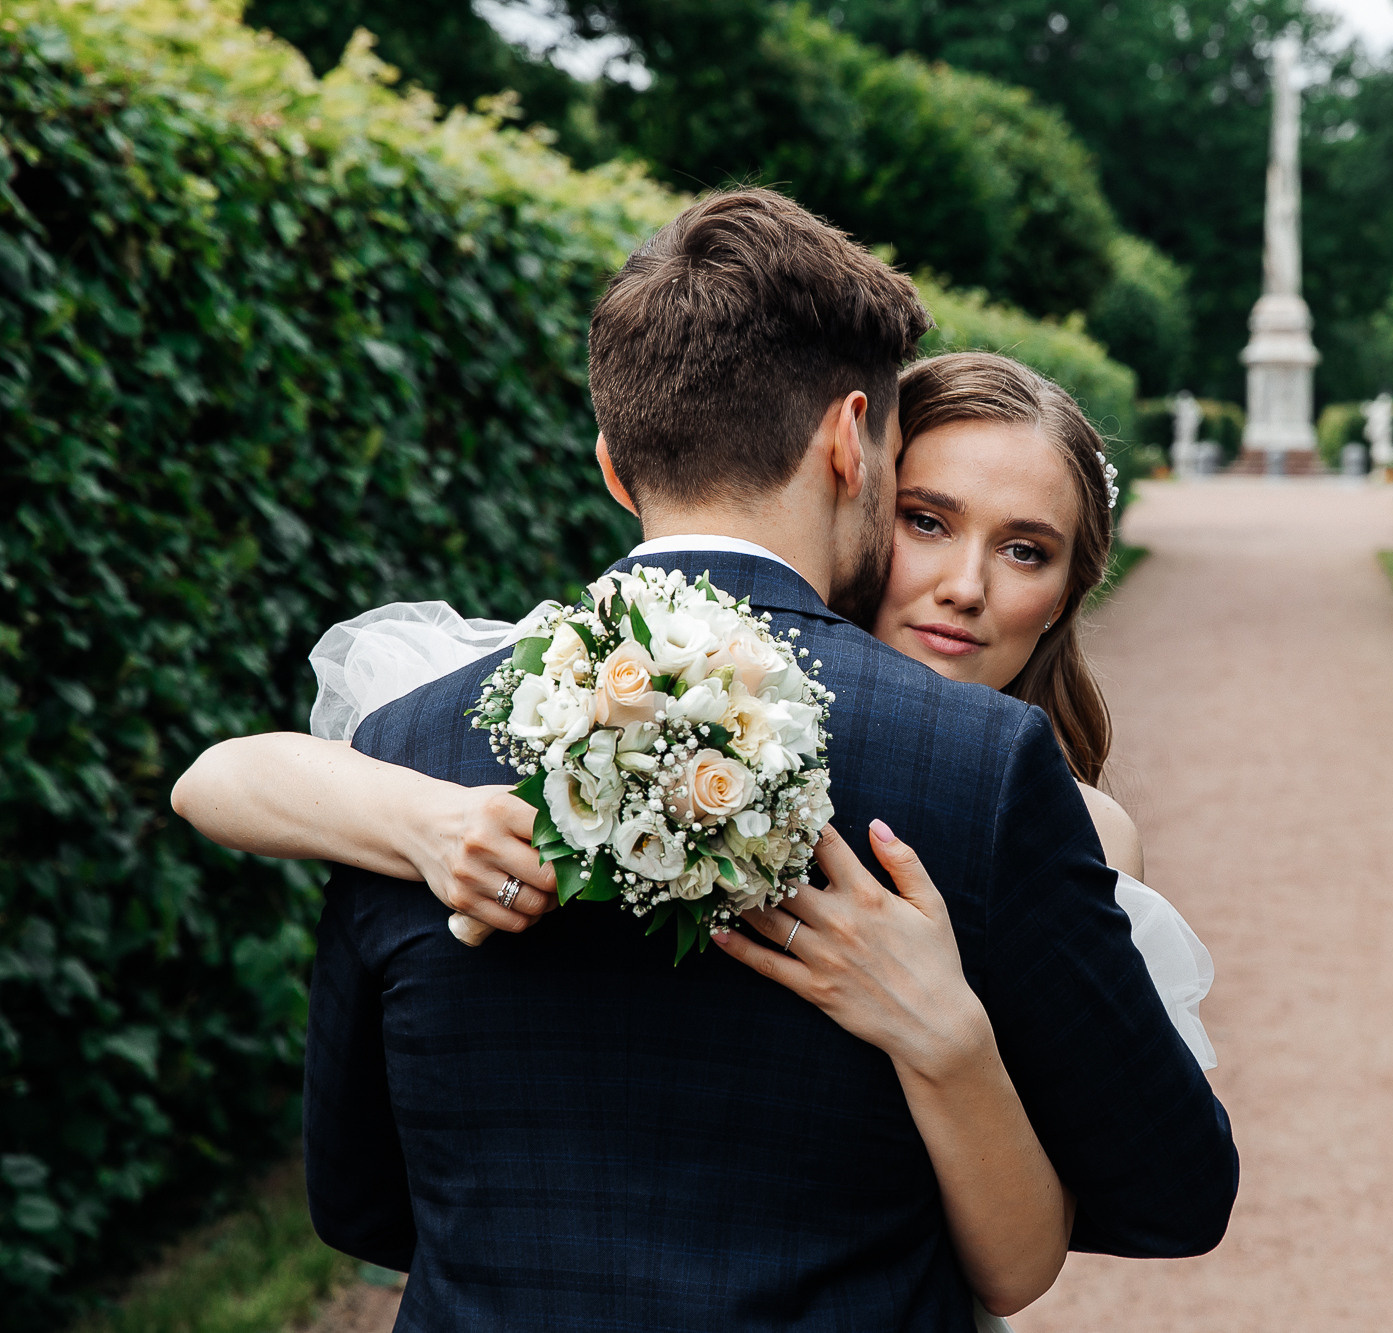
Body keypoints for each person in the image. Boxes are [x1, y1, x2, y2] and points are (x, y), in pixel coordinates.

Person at [173, 190, 1234, 1331]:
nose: (963, 583)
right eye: (923, 512)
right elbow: (1167, 1191)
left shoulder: (418, 744)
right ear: (848, 441)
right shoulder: (980, 770)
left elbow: (360, 1198)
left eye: (1023, 548)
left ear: (614, 465)